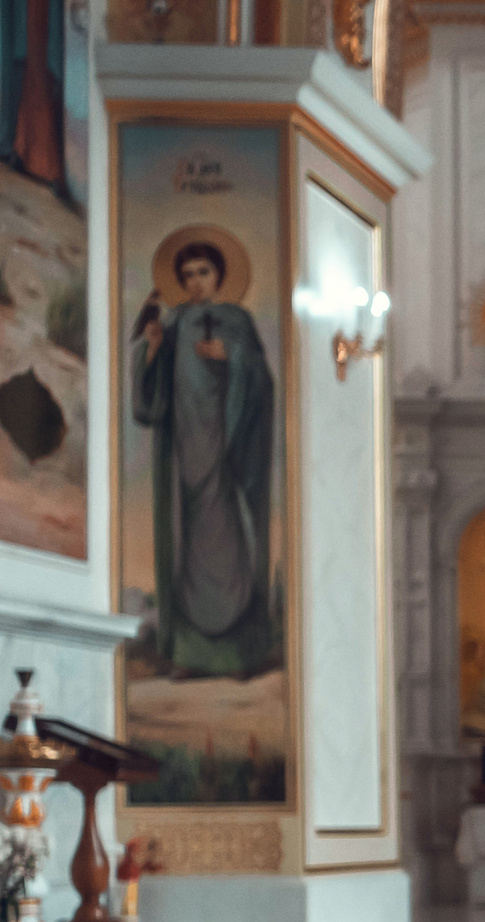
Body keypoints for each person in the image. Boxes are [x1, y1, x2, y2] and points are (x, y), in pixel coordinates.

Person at [130, 237, 276, 679]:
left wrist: (231, 357)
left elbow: (262, 382)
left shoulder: (238, 321)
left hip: (228, 451)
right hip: (185, 453)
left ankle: (238, 656)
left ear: (220, 275)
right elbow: (150, 403)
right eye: (188, 275)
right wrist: (152, 349)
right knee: (186, 542)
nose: (196, 282)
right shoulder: (173, 324)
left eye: (203, 273)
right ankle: (190, 655)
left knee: (229, 539)